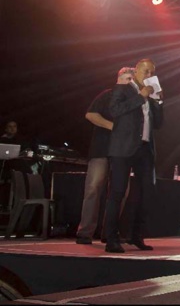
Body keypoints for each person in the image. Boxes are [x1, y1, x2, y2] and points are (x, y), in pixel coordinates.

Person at [104, 58, 163, 254]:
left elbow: (158, 124)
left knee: (145, 193)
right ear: (136, 71)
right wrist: (141, 97)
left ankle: (136, 236)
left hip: (145, 148)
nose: (148, 76)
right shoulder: (124, 88)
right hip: (123, 148)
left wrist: (159, 100)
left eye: (151, 73)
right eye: (145, 72)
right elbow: (114, 110)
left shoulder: (151, 93)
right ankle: (111, 239)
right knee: (118, 192)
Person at [75, 67, 134, 245]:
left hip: (123, 153)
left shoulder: (133, 100)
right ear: (118, 79)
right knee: (93, 188)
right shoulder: (107, 95)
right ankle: (85, 232)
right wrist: (114, 127)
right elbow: (90, 114)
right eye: (126, 78)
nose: (129, 81)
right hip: (101, 149)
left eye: (132, 78)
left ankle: (109, 232)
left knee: (120, 192)